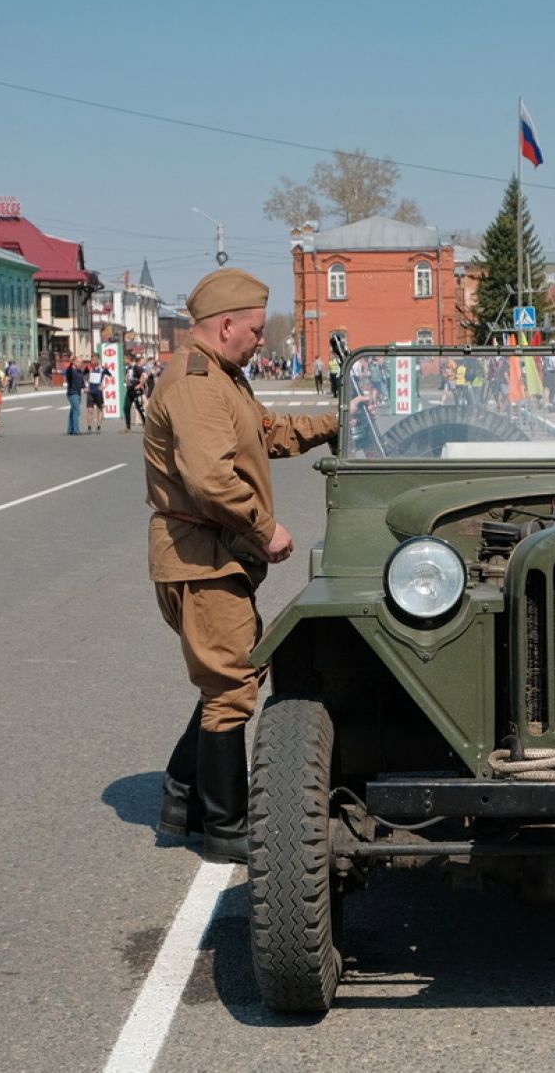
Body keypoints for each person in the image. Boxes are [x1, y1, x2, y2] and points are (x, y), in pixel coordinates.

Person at [148, 267, 340, 862]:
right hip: (202, 557)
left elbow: (269, 434)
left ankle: (185, 795)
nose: (262, 339)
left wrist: (339, 420)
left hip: (214, 557)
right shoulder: (197, 384)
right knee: (231, 685)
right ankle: (225, 827)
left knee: (232, 674)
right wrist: (264, 529)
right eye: (256, 330)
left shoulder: (226, 379)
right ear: (226, 325)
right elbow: (209, 479)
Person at [63, 358, 87, 435]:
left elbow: (81, 382)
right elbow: (69, 371)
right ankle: (76, 430)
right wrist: (71, 363)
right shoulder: (70, 371)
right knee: (77, 411)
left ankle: (70, 429)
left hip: (78, 393)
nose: (80, 363)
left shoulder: (79, 371)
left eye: (81, 362)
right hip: (72, 393)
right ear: (74, 362)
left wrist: (84, 388)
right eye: (79, 362)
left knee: (73, 411)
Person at [85, 360, 107, 433]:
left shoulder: (102, 370)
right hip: (90, 392)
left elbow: (111, 377)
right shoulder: (89, 369)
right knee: (89, 410)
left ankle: (98, 427)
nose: (94, 363)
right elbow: (83, 376)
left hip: (99, 393)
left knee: (100, 409)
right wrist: (85, 387)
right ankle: (89, 427)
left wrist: (105, 386)